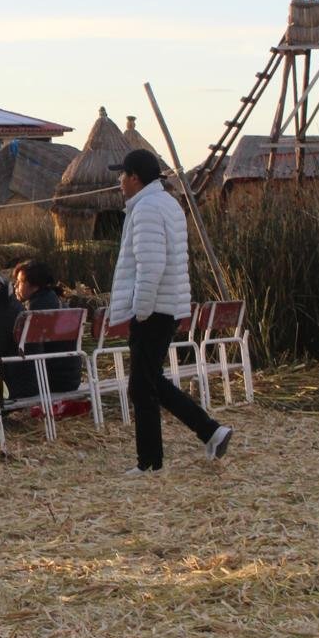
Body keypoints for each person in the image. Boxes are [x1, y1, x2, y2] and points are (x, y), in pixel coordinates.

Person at [107, 148, 232, 476]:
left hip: (154, 307)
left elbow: (151, 264)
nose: (120, 182)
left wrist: (142, 309)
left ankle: (150, 464)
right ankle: (209, 431)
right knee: (149, 382)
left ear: (135, 177)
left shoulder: (147, 209)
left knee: (141, 387)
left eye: (123, 175)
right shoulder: (166, 203)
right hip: (167, 305)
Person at [0, 261, 80, 402]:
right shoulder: (57, 304)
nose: (16, 286)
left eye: (19, 282)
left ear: (34, 284)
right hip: (71, 377)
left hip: (48, 379)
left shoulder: (33, 314)